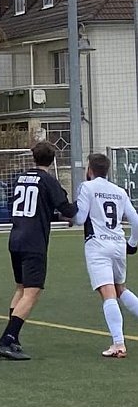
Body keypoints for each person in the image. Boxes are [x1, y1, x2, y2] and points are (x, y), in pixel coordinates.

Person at [0, 142, 77, 360]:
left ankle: (14, 339)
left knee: (20, 288)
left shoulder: (20, 178)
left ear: (33, 157)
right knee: (33, 291)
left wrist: (55, 217)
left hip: (16, 237)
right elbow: (67, 208)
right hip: (33, 242)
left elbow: (32, 209)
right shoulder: (49, 180)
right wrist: (83, 200)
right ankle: (6, 340)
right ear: (53, 160)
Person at [74, 153, 138, 358]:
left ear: (90, 170)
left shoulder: (87, 187)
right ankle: (118, 342)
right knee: (120, 289)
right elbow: (135, 220)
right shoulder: (119, 191)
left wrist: (65, 214)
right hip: (118, 244)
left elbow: (80, 218)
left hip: (97, 244)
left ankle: (118, 344)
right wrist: (132, 243)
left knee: (108, 293)